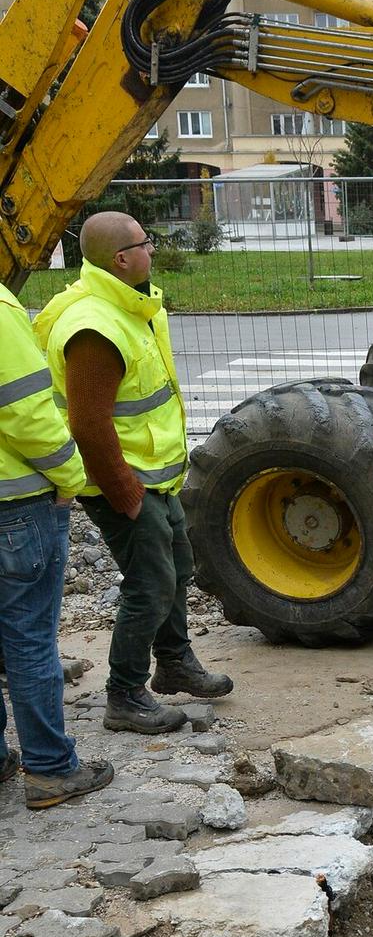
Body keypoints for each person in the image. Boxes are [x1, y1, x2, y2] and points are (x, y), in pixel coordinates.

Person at [33, 212, 233, 734]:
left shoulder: (132, 304)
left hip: (154, 476)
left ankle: (174, 662)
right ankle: (124, 695)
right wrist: (123, 490)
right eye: (147, 243)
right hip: (121, 481)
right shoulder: (94, 328)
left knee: (177, 567)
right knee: (150, 584)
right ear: (121, 259)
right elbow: (88, 423)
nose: (154, 250)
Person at [0, 280, 114, 808]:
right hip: (16, 506)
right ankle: (49, 769)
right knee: (28, 640)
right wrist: (70, 475)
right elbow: (26, 414)